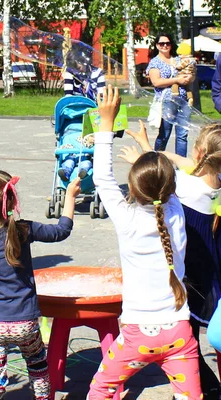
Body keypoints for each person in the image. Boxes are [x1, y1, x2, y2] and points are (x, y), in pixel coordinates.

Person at [88, 86, 202, 399]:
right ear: (170, 187)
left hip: (137, 334)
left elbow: (102, 178)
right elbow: (164, 183)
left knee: (101, 387)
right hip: (180, 333)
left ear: (134, 189)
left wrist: (105, 125)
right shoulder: (176, 211)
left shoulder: (127, 218)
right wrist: (146, 149)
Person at [0, 171, 80, 400]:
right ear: (11, 200)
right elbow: (62, 231)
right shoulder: (24, 230)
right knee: (38, 368)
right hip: (25, 322)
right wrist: (70, 196)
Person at [123, 121, 221, 399]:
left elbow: (162, 176)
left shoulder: (187, 188)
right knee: (212, 335)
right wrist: (148, 145)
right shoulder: (213, 183)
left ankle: (207, 387)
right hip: (213, 269)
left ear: (200, 153)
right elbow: (181, 162)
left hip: (191, 275)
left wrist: (141, 156)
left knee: (188, 340)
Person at [147, 33, 194, 157]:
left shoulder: (178, 59)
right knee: (164, 134)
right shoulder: (155, 62)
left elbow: (190, 71)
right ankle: (157, 161)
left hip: (184, 100)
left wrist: (190, 77)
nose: (165, 46)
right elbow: (156, 82)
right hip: (167, 100)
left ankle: (181, 166)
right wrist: (176, 80)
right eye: (161, 43)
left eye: (167, 43)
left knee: (182, 135)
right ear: (157, 46)